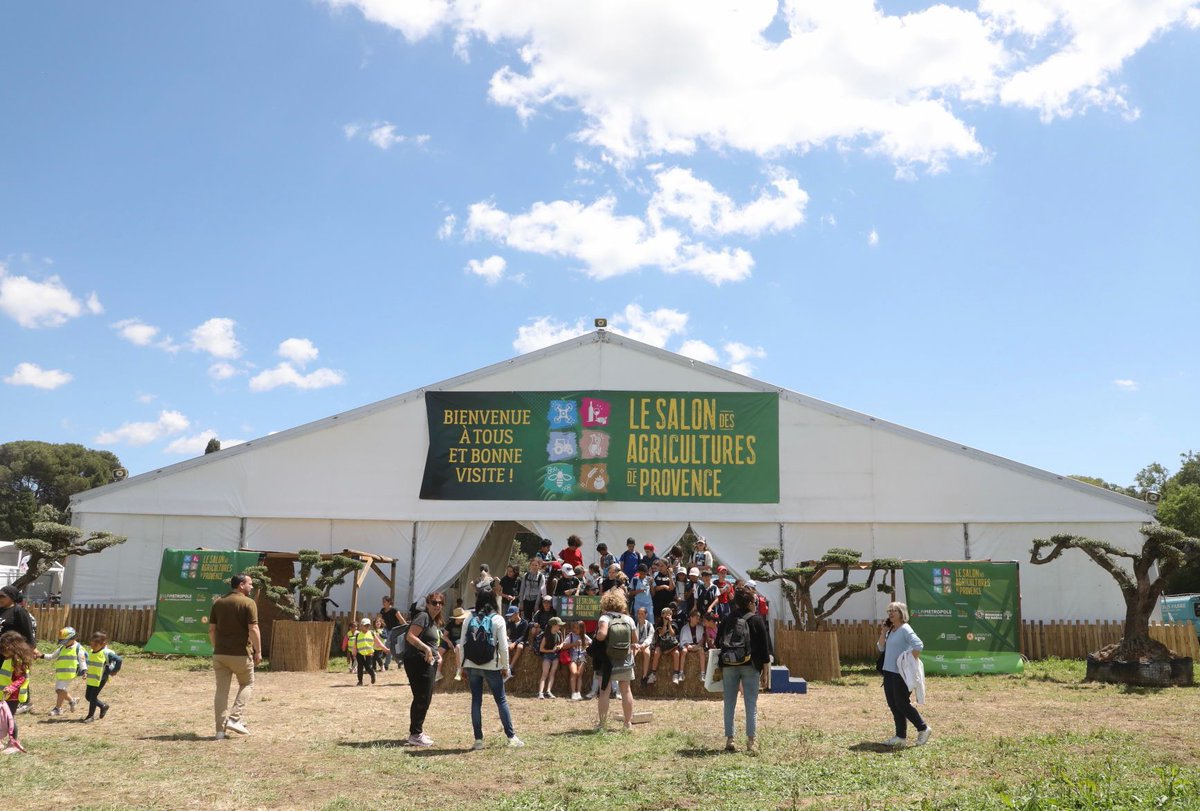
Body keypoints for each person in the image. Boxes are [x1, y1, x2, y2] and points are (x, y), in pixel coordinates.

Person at [457, 591, 523, 749]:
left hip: (472, 665)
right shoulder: (498, 619)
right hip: (492, 665)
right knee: (501, 700)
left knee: (476, 701)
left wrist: (462, 667)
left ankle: (478, 740)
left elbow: (461, 644)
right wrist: (506, 667)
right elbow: (504, 648)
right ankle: (511, 737)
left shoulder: (468, 618)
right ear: (494, 602)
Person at [719, 587, 773, 753]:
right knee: (750, 704)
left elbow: (717, 642)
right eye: (754, 602)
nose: (755, 605)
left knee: (729, 703)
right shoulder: (756, 620)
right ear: (750, 603)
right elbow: (765, 650)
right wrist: (765, 673)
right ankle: (751, 741)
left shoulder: (728, 619)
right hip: (751, 665)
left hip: (729, 665)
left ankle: (730, 739)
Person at [209, 572, 261, 740]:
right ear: (241, 585)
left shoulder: (218, 603)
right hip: (241, 654)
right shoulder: (249, 603)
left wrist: (217, 647)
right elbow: (253, 629)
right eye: (250, 584)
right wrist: (258, 651)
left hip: (220, 654)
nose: (251, 587)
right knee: (247, 683)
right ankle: (235, 718)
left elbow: (211, 630)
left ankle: (219, 732)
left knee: (221, 692)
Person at [877, 601, 931, 748]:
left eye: (894, 610)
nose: (890, 613)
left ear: (902, 613)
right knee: (893, 704)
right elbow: (880, 648)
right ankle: (900, 737)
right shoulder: (891, 630)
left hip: (900, 674)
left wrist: (908, 661)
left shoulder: (905, 629)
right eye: (889, 611)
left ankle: (923, 728)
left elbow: (918, 645)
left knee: (901, 703)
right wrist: (883, 632)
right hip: (888, 672)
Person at [403, 592, 445, 747]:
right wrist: (427, 649)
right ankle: (415, 734)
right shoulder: (423, 616)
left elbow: (432, 642)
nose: (437, 605)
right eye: (434, 602)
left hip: (427, 662)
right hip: (417, 661)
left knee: (424, 698)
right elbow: (411, 636)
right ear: (427, 604)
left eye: (441, 603)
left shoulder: (434, 621)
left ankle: (417, 732)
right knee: (422, 697)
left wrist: (436, 655)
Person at [594, 589, 636, 732]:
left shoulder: (604, 618)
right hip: (625, 660)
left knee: (604, 691)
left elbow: (601, 635)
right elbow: (635, 640)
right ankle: (628, 723)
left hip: (607, 661)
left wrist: (597, 638)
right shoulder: (628, 619)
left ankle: (602, 724)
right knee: (626, 690)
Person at [0, 586, 36, 715]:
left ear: (12, 598)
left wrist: (29, 650)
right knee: (4, 677)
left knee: (18, 676)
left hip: (13, 651)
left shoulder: (19, 611)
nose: (0, 598)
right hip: (2, 650)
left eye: (3, 596)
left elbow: (28, 633)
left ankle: (24, 702)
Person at [0, 630, 35, 750]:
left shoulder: (18, 661)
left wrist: (11, 688)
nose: (2, 651)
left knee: (9, 719)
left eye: (4, 648)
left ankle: (13, 743)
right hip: (4, 695)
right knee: (2, 718)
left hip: (13, 696)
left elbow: (22, 678)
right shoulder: (9, 659)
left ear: (13, 646)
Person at [42, 626, 87, 716]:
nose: (64, 643)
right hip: (61, 673)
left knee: (60, 690)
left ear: (73, 638)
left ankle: (58, 709)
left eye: (65, 641)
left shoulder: (78, 648)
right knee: (58, 691)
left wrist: (84, 671)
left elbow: (82, 660)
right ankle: (72, 701)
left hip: (69, 673)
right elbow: (51, 656)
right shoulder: (62, 648)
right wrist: (41, 655)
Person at [82, 630, 122, 722]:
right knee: (88, 697)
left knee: (92, 697)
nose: (93, 646)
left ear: (103, 644)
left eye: (95, 644)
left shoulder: (106, 653)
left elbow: (119, 660)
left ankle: (90, 716)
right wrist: (85, 672)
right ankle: (103, 706)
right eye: (91, 644)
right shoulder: (91, 652)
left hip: (101, 678)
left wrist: (114, 671)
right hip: (92, 678)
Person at [537, 617, 565, 699]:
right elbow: (541, 649)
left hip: (556, 656)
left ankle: (548, 691)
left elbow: (562, 642)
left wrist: (560, 646)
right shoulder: (546, 635)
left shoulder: (559, 633)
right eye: (559, 625)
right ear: (553, 625)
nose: (560, 627)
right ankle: (540, 693)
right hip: (547, 656)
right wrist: (551, 651)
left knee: (552, 673)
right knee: (545, 674)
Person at [677, 610, 705, 684]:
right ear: (691, 618)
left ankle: (702, 674)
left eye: (698, 619)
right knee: (684, 651)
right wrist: (688, 646)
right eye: (696, 618)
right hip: (688, 645)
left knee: (701, 651)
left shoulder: (700, 628)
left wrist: (697, 646)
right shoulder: (684, 628)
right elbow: (682, 640)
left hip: (697, 646)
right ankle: (681, 673)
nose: (698, 620)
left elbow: (702, 640)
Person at [564, 620, 590, 700]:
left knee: (579, 674)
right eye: (574, 627)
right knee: (574, 673)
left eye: (577, 628)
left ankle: (578, 692)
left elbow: (591, 643)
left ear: (582, 629)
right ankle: (573, 692)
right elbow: (564, 646)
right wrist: (574, 644)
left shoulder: (585, 636)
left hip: (582, 657)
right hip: (572, 657)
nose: (575, 629)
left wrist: (586, 645)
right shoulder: (570, 636)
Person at [378, 595, 406, 670]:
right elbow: (380, 620)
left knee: (388, 645)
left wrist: (406, 628)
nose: (383, 603)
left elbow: (401, 619)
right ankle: (398, 661)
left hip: (396, 630)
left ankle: (387, 664)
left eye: (384, 601)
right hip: (387, 630)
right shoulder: (382, 611)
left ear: (389, 602)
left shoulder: (394, 610)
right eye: (382, 601)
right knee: (391, 647)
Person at [504, 606, 530, 677]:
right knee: (506, 647)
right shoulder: (510, 622)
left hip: (521, 641)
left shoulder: (525, 622)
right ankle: (506, 667)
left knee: (520, 647)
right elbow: (503, 630)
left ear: (516, 614)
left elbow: (523, 636)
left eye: (511, 615)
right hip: (512, 640)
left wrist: (514, 643)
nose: (509, 617)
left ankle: (511, 667)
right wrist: (505, 636)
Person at [351, 618, 377, 686]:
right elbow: (355, 645)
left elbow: (378, 642)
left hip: (369, 653)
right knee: (360, 667)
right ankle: (360, 681)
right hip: (360, 653)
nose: (367, 627)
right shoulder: (358, 635)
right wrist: (354, 652)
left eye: (368, 625)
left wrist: (385, 649)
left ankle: (372, 674)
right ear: (361, 626)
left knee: (368, 667)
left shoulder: (372, 633)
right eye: (365, 625)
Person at [633, 606, 655, 684]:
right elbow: (632, 636)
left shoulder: (650, 625)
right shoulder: (634, 624)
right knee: (633, 652)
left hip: (645, 644)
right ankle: (630, 671)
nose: (640, 615)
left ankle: (644, 675)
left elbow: (650, 637)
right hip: (636, 643)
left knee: (647, 653)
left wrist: (644, 645)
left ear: (646, 615)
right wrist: (636, 644)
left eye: (642, 613)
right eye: (639, 613)